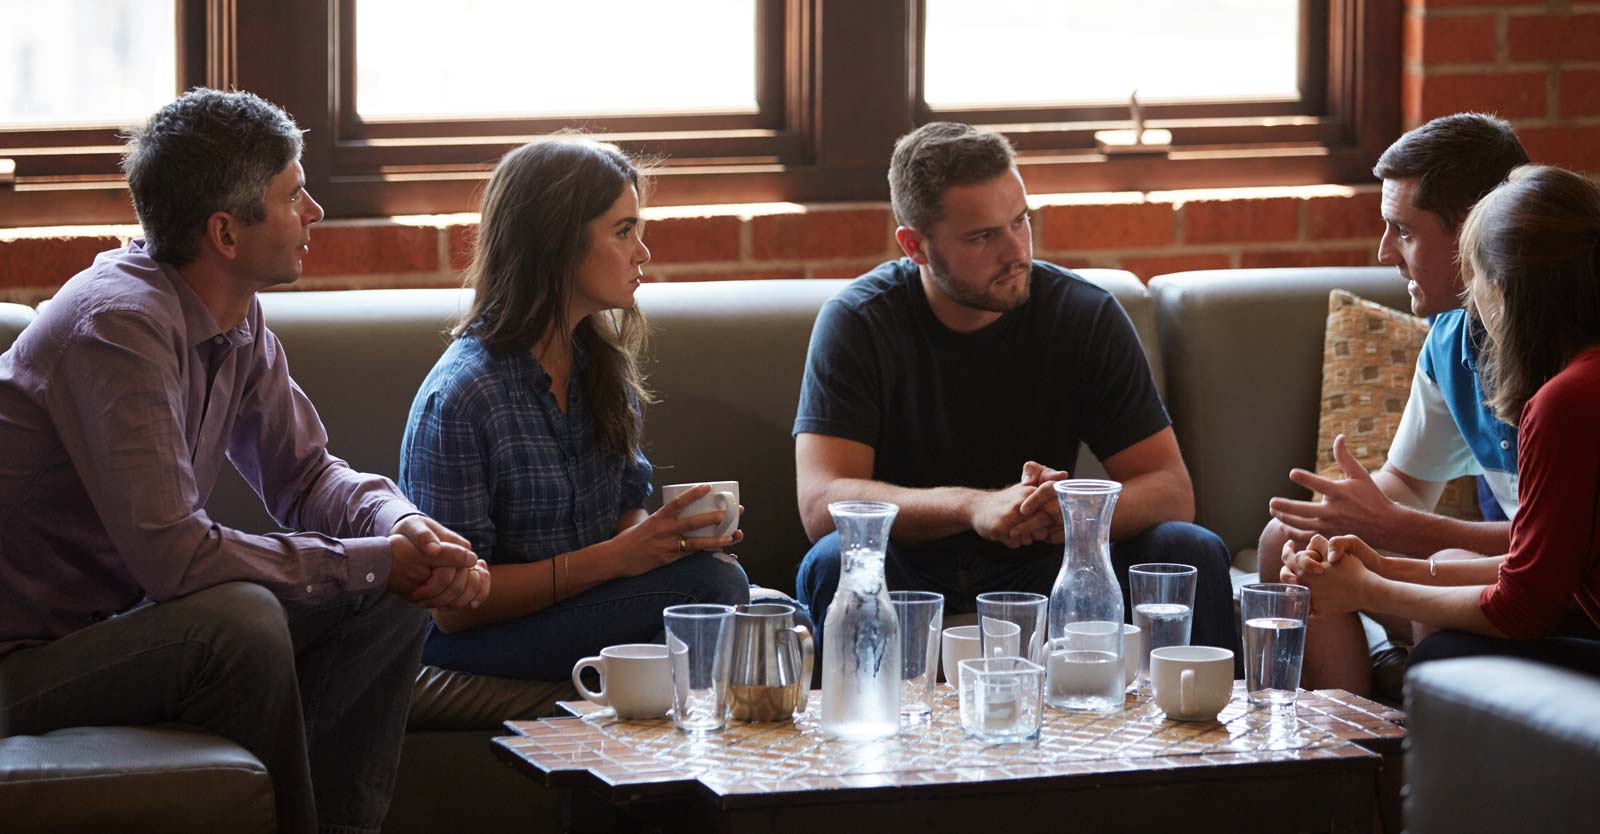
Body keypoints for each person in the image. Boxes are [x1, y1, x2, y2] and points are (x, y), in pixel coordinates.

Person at [0, 89, 488, 834]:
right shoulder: (117, 326)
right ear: (226, 232)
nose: (315, 212)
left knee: (390, 592)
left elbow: (308, 475)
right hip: (21, 665)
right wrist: (371, 558)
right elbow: (177, 560)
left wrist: (405, 528)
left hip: (104, 635)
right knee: (241, 620)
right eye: (294, 195)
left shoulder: (233, 317)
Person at [792, 121, 1236, 654]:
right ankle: (863, 734)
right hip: (913, 563)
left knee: (1192, 549)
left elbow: (1170, 489)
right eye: (982, 236)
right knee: (836, 559)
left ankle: (1205, 735)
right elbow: (822, 503)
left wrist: (1071, 512)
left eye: (1020, 221)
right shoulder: (859, 322)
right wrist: (974, 508)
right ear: (915, 246)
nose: (1015, 252)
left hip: (1053, 560)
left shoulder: (1082, 315)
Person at [399, 137, 752, 683]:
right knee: (716, 593)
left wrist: (666, 541)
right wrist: (622, 558)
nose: (643, 253)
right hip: (477, 637)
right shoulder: (464, 396)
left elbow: (626, 508)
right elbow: (453, 608)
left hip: (584, 605)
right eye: (623, 231)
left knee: (771, 612)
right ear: (557, 242)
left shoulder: (597, 361)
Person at [1282, 164, 1600, 676]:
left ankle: (1359, 755)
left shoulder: (1566, 401)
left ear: (1504, 290)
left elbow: (1523, 605)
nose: (1470, 303)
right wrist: (1383, 566)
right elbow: (1549, 568)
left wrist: (1369, 587)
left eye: (1474, 279)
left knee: (1439, 659)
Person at [1256, 113, 1531, 694]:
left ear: (1475, 233)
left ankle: (1416, 770)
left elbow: (1558, 545)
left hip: (1549, 581)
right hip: (1511, 567)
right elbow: (1409, 482)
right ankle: (1345, 763)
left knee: (1451, 566)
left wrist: (1395, 527)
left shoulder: (1563, 349)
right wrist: (1345, 512)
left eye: (1402, 231)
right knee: (1288, 541)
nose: (1384, 253)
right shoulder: (1452, 338)